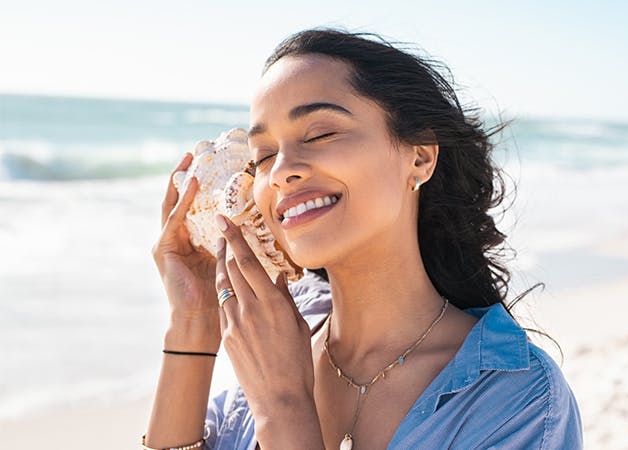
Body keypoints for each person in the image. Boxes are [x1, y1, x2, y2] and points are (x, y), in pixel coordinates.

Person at [144, 29, 582, 450]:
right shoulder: (275, 343)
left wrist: (284, 407)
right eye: (264, 156)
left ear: (420, 157)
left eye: (320, 134)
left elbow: (279, 404)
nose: (280, 172)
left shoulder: (517, 401)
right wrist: (194, 324)